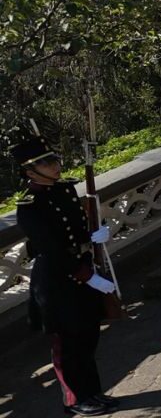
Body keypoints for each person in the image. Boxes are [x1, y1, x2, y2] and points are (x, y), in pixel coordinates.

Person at [13, 134, 119, 416]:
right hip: (57, 281)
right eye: (46, 163)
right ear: (29, 171)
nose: (55, 166)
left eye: (54, 159)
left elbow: (75, 229)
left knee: (88, 337)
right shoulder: (29, 206)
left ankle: (92, 392)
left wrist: (94, 234)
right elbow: (51, 249)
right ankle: (74, 399)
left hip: (82, 272)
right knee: (68, 344)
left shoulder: (65, 190)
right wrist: (87, 276)